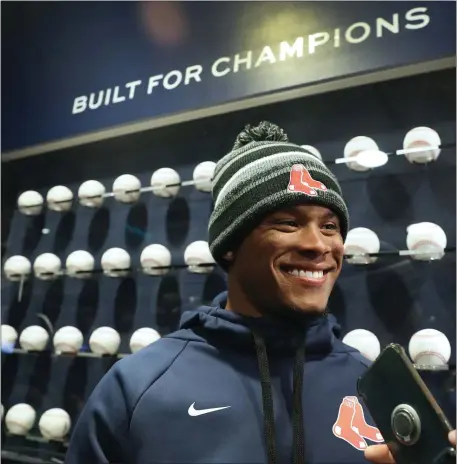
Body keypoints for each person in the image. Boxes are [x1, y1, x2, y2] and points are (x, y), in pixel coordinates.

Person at [65, 122, 455, 464]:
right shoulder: (138, 386)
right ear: (230, 245)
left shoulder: (371, 385)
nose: (318, 245)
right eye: (287, 222)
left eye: (331, 226)